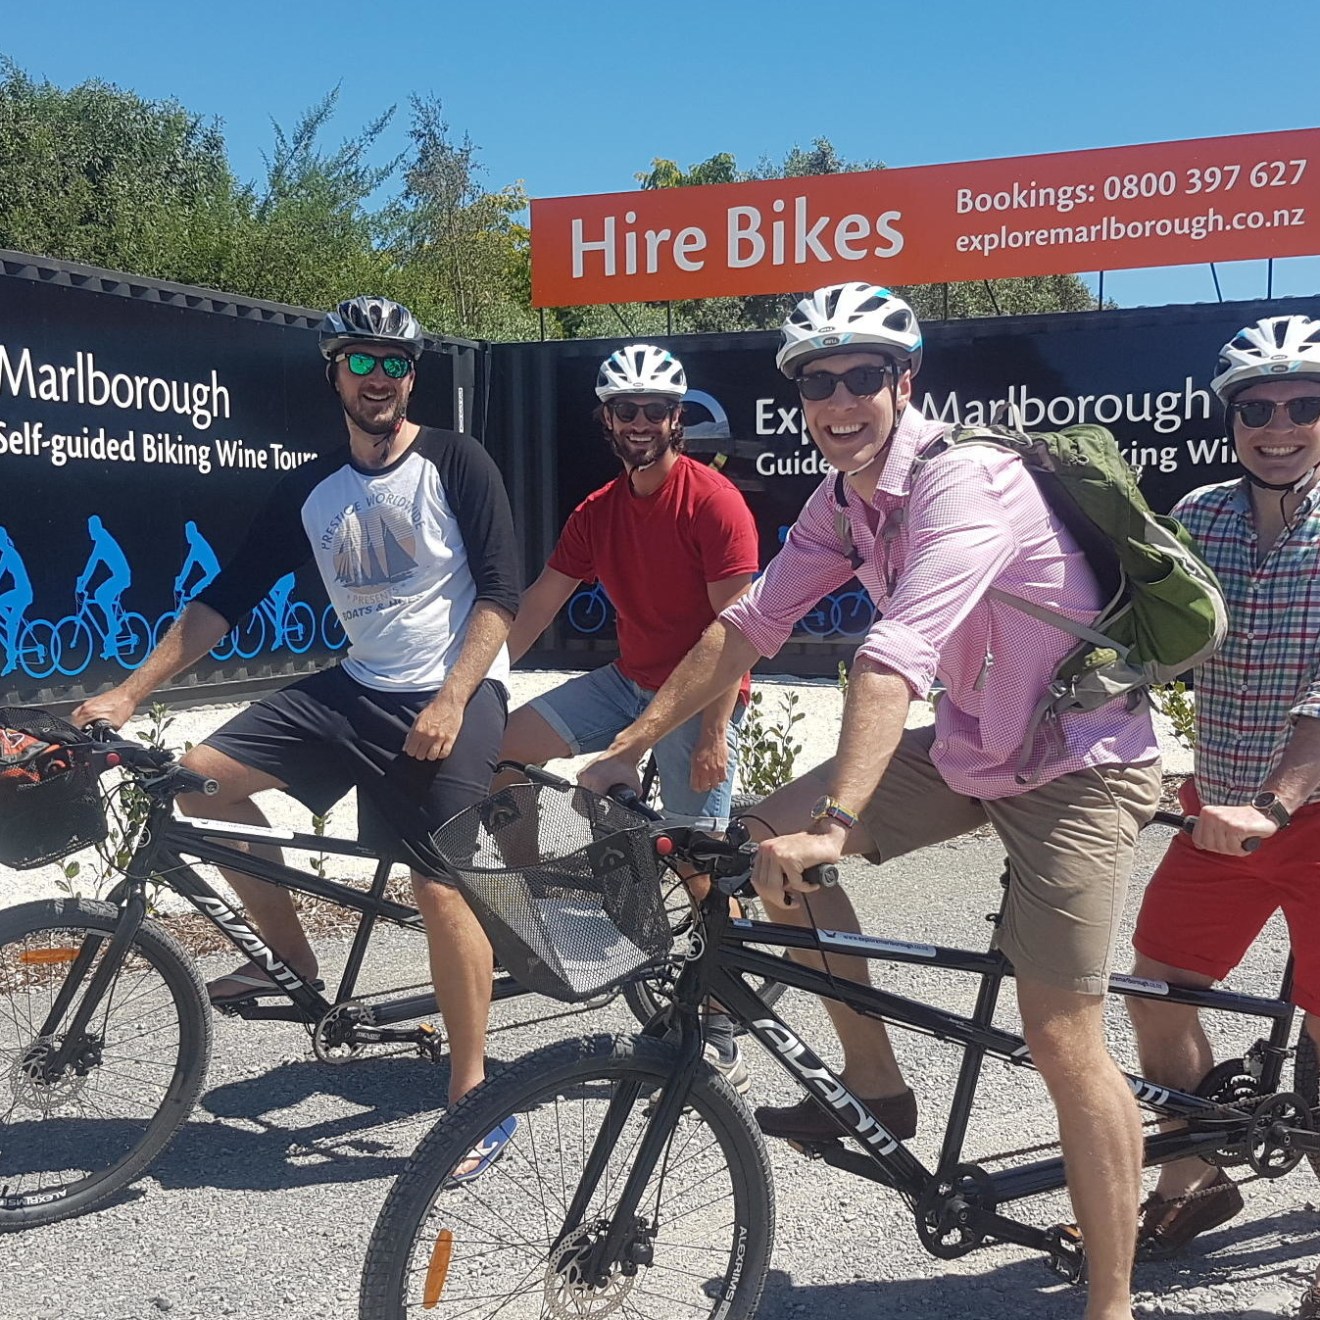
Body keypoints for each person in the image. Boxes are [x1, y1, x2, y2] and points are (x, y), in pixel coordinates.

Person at [582, 281, 1163, 1320]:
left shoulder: (965, 483)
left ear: (906, 381)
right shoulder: (844, 498)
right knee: (753, 839)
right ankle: (874, 1086)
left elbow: (894, 658)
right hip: (983, 740)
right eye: (817, 382)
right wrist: (627, 745)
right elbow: (746, 629)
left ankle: (1111, 1302)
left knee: (1064, 1039)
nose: (838, 399)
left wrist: (839, 821)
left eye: (861, 377)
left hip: (1083, 760)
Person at [73, 295, 521, 1175]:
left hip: (455, 694)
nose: (379, 378)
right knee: (197, 783)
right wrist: (125, 694)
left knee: (440, 887)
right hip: (356, 689)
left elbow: (502, 594)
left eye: (394, 363)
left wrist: (452, 701)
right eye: (362, 362)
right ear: (336, 374)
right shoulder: (314, 488)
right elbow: (225, 598)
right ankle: (291, 962)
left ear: (412, 376)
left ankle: (475, 1096)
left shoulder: (456, 461)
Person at [499, 342, 759, 1086]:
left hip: (702, 692)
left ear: (676, 419)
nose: (640, 422)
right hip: (626, 681)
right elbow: (537, 606)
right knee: (504, 749)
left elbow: (737, 637)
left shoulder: (714, 502)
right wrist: (473, 689)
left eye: (655, 409)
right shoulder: (598, 511)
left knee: (700, 858)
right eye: (626, 409)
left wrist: (713, 734)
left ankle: (721, 1021)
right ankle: (528, 908)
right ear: (605, 420)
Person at [1126, 315, 1320, 1312]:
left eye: (1301, 405)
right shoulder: (1200, 515)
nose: (1278, 426)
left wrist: (1276, 803)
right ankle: (1193, 1184)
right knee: (1154, 990)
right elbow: (1133, 638)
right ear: (1232, 419)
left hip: (1305, 816)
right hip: (1224, 809)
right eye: (1257, 408)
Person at [76, 515, 132, 659]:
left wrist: (83, 583)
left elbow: (91, 564)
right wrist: (83, 580)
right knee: (106, 605)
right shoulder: (102, 539)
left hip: (122, 576)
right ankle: (111, 648)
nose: (89, 532)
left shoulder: (102, 540)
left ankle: (115, 626)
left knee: (100, 595)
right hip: (119, 575)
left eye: (90, 529)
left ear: (95, 528)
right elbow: (91, 564)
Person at [0, 527, 33, 677]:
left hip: (23, 593)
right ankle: (11, 621)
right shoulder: (7, 553)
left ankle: (12, 660)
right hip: (19, 592)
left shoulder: (8, 553)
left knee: (10, 624)